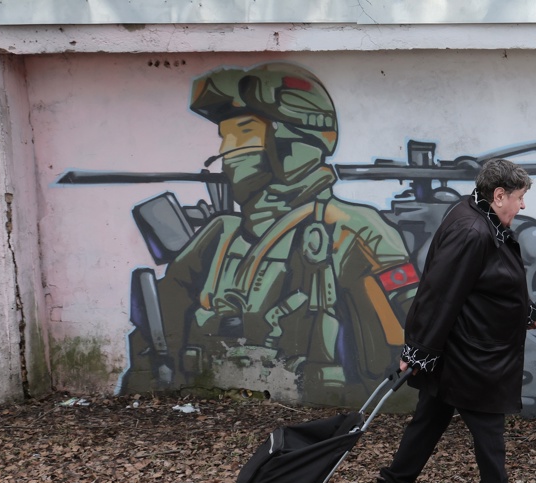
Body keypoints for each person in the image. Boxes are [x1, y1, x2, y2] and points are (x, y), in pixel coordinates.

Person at [120, 63, 418, 406]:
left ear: (292, 140)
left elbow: (412, 341)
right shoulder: (219, 235)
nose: (228, 151)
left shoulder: (353, 231)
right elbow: (155, 333)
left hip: (329, 424)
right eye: (225, 136)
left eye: (244, 133)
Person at [371, 158, 536, 483]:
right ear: (499, 195)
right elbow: (439, 293)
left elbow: (487, 284)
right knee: (488, 422)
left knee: (430, 419)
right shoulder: (473, 232)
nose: (523, 205)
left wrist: (525, 313)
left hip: (462, 348)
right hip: (470, 354)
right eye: (519, 197)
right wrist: (417, 350)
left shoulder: (475, 215)